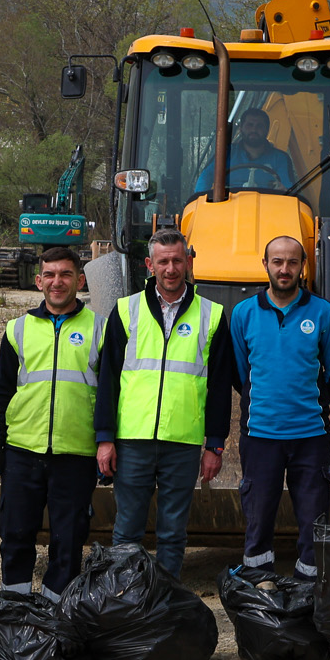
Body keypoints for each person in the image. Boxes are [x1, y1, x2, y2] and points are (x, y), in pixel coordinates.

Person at [94, 231, 234, 577]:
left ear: (188, 262)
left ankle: (165, 602)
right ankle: (124, 597)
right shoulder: (126, 311)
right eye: (163, 261)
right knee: (127, 531)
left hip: (182, 443)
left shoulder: (212, 315)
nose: (171, 269)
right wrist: (105, 438)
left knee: (173, 533)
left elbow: (219, 386)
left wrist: (214, 444)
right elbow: (108, 379)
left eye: (177, 260)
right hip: (133, 440)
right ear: (149, 264)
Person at [0, 245, 100, 599]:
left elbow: (112, 394)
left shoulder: (101, 329)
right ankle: (14, 607)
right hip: (23, 450)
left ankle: (54, 614)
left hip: (76, 452)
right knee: (16, 535)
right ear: (38, 281)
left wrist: (107, 443)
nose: (57, 282)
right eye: (49, 274)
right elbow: (1, 390)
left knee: (68, 541)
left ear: (80, 280)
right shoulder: (18, 330)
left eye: (65, 274)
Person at [227, 234, 330, 579]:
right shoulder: (244, 314)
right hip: (260, 435)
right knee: (259, 517)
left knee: (313, 519)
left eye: (292, 261)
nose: (284, 269)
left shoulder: (323, 312)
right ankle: (260, 584)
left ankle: (309, 587)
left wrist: (311, 405)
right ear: (265, 265)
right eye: (277, 261)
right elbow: (240, 372)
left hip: (310, 436)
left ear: (303, 266)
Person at [193, 108, 295, 194]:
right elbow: (205, 179)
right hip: (227, 212)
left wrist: (284, 191)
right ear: (241, 128)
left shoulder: (281, 159)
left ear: (267, 129)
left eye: (259, 126)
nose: (254, 130)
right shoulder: (225, 154)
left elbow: (287, 189)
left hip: (268, 213)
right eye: (249, 125)